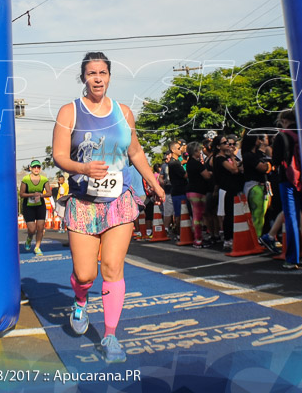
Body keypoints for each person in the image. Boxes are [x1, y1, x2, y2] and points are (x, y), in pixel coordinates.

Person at [52, 52, 165, 364]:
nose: (98, 78)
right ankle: (79, 299)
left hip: (119, 200)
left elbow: (136, 150)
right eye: (91, 73)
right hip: (84, 202)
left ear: (110, 76)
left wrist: (154, 183)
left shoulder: (123, 112)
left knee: (113, 267)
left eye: (102, 72)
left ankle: (110, 335)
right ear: (83, 77)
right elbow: (59, 156)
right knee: (85, 273)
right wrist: (84, 168)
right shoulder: (69, 112)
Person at [272, 109, 302, 269]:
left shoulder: (282, 136)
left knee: (291, 217)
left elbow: (276, 159)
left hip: (287, 179)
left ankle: (293, 257)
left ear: (284, 120)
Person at [184, 141, 212, 248]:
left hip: (191, 191)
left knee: (197, 216)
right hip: (198, 192)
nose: (200, 152)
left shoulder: (189, 163)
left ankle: (198, 238)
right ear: (194, 151)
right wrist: (210, 173)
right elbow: (207, 176)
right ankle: (198, 239)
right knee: (198, 217)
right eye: (198, 150)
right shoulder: (196, 164)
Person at [20, 160, 51, 255]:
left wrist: (41, 195)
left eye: (38, 167)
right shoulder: (26, 179)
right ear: (30, 168)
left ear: (40, 168)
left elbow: (49, 193)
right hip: (28, 206)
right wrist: (32, 194)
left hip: (40, 205)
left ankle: (37, 247)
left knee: (40, 227)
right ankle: (29, 238)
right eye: (34, 167)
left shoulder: (44, 179)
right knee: (32, 229)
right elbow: (21, 194)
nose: (36, 169)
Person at [164, 140, 187, 239]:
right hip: (178, 190)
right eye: (178, 148)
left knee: (181, 213)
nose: (180, 150)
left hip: (180, 190)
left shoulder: (177, 162)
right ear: (173, 150)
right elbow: (185, 175)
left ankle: (180, 232)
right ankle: (179, 233)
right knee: (179, 214)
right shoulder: (174, 163)